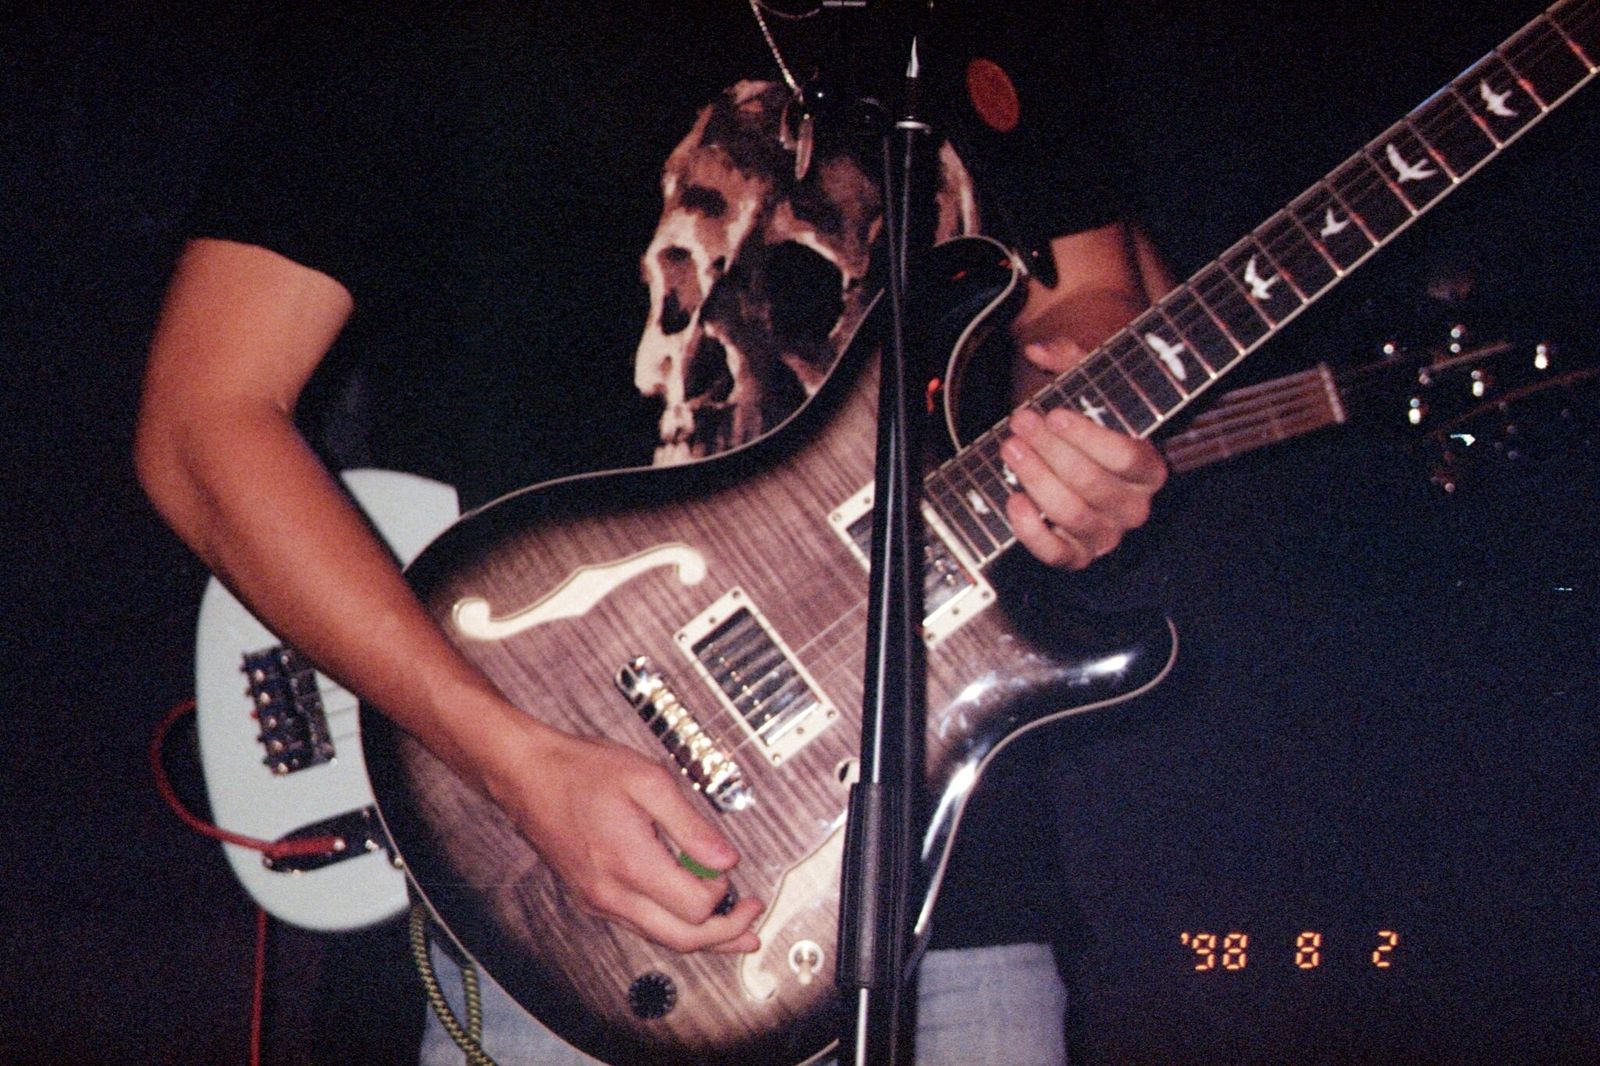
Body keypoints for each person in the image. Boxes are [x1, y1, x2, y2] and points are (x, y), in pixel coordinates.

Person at [135, 2, 1169, 1062]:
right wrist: (516, 765)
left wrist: (1085, 450)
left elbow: (1091, 296)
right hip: (580, 919)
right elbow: (201, 423)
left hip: (955, 895)